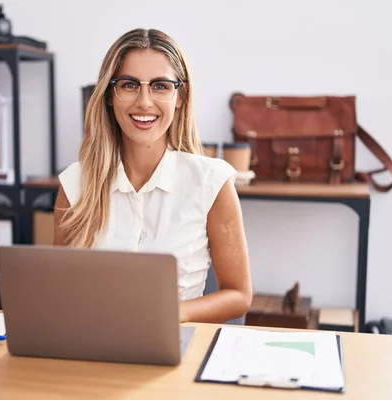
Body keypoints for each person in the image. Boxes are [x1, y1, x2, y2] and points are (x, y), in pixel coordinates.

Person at [53, 28, 252, 324]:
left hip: (174, 349)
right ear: (110, 94)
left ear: (180, 96)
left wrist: (171, 313)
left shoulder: (211, 182)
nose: (144, 102)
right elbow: (57, 291)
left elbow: (239, 295)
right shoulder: (74, 185)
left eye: (160, 86)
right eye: (130, 85)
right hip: (92, 346)